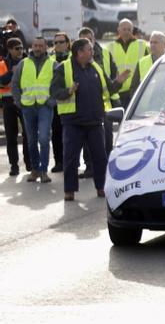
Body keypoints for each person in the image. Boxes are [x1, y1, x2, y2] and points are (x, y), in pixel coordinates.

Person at [50, 38, 129, 201]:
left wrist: (119, 82)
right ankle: (69, 190)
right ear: (79, 53)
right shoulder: (63, 68)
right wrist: (68, 91)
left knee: (100, 156)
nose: (92, 52)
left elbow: (109, 88)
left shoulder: (96, 68)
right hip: (73, 122)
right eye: (89, 49)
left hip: (95, 121)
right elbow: (54, 91)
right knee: (71, 158)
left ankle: (101, 187)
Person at [11, 36, 56, 182]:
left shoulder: (53, 64)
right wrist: (19, 102)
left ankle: (44, 171)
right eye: (35, 45)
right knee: (31, 140)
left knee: (43, 139)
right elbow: (15, 84)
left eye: (40, 46)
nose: (37, 48)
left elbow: (59, 84)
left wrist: (52, 101)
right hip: (28, 107)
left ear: (46, 47)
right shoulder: (23, 64)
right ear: (32, 47)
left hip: (45, 107)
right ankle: (35, 170)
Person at [0, 38, 30, 176]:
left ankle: (29, 163)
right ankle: (14, 165)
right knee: (11, 135)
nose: (20, 50)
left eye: (21, 47)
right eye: (17, 48)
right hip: (8, 103)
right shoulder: (2, 64)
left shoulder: (28, 62)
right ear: (10, 50)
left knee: (28, 134)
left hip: (25, 102)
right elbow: (2, 82)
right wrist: (12, 72)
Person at [105, 19, 148, 109]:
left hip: (136, 89)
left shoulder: (142, 45)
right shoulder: (110, 47)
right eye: (124, 29)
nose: (127, 32)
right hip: (118, 90)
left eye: (129, 29)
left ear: (132, 30)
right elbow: (107, 69)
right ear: (118, 30)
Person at [48, 32, 70, 172]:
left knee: (71, 135)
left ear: (67, 43)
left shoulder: (74, 58)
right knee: (56, 133)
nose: (58, 45)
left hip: (72, 102)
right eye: (55, 42)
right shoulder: (49, 60)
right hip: (56, 103)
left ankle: (71, 161)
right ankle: (59, 162)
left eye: (61, 42)